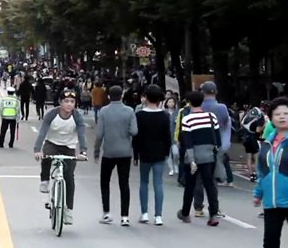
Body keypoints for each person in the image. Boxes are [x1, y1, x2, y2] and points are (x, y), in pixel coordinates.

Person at [34, 90, 88, 225]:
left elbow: (82, 134)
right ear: (60, 102)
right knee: (46, 157)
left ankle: (68, 210)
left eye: (72, 102)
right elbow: (42, 133)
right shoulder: (52, 115)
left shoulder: (77, 117)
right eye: (66, 101)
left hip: (69, 146)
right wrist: (37, 150)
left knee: (69, 176)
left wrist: (83, 152)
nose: (69, 104)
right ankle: (45, 181)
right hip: (52, 143)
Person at [253, 97, 288, 248]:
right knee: (270, 242)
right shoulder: (267, 143)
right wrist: (258, 193)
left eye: (286, 113)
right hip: (272, 201)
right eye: (277, 114)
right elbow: (262, 171)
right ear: (271, 118)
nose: (282, 117)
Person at [94, 85, 138, 226]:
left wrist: (96, 151)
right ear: (122, 96)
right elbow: (134, 131)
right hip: (125, 151)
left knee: (105, 182)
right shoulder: (129, 111)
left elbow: (99, 134)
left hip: (109, 152)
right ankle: (124, 216)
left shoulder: (104, 112)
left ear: (108, 96)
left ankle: (106, 213)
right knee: (124, 183)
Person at [177, 91, 222, 227]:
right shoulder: (211, 117)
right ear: (202, 102)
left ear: (189, 103)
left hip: (193, 157)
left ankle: (185, 213)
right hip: (209, 156)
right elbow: (217, 139)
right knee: (210, 185)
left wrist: (191, 160)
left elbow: (187, 141)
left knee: (190, 185)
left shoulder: (187, 119)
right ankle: (213, 214)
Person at [133, 85, 171, 226]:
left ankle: (144, 213)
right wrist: (166, 152)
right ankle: (158, 216)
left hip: (144, 152)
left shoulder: (139, 115)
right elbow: (167, 136)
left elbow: (136, 137)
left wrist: (135, 154)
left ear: (146, 97)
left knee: (144, 182)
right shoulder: (164, 115)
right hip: (160, 152)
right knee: (158, 183)